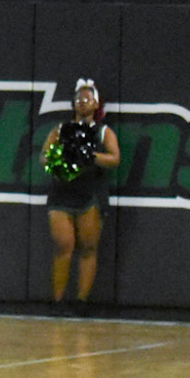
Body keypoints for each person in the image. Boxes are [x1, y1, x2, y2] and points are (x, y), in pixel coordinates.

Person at [41, 79, 119, 315]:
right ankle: (57, 302)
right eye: (78, 98)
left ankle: (81, 301)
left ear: (96, 104)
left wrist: (90, 156)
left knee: (87, 247)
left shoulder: (103, 131)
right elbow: (44, 159)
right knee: (63, 245)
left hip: (90, 194)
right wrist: (59, 159)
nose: (82, 102)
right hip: (62, 193)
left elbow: (114, 158)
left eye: (87, 98)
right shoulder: (61, 129)